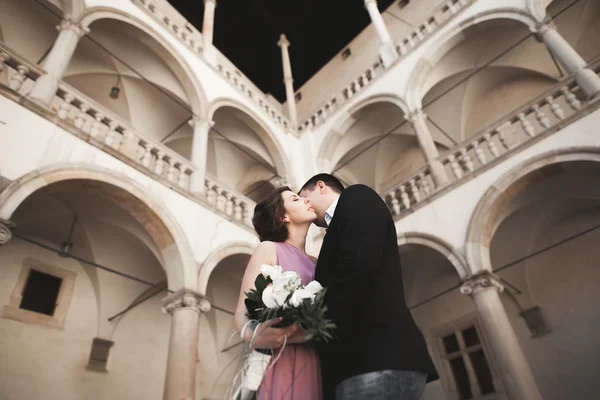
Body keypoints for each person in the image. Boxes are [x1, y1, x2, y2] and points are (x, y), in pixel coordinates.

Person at [299, 173, 439, 400]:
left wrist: (313, 324)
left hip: (377, 357)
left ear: (321, 187)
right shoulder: (333, 232)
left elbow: (358, 265)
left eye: (304, 197)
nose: (305, 205)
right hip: (360, 364)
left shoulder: (356, 197)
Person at [234, 186, 323, 399]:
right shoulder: (269, 249)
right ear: (283, 216)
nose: (306, 201)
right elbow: (242, 312)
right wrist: (257, 337)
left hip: (316, 358)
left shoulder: (319, 263)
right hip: (280, 357)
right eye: (296, 199)